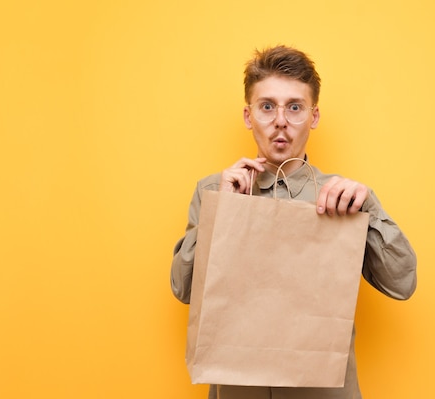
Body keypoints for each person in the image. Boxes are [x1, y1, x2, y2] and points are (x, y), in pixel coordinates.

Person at [171, 45, 417, 399]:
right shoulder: (215, 190)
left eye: (295, 107)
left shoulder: (344, 198)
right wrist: (220, 211)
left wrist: (369, 208)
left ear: (313, 117)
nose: (281, 121)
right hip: (239, 389)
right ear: (248, 115)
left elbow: (402, 283)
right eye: (267, 106)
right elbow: (183, 290)